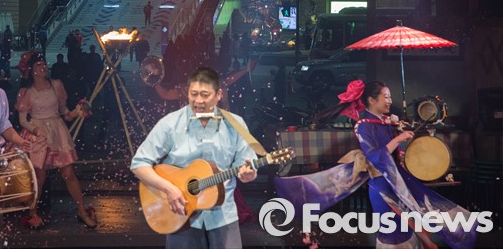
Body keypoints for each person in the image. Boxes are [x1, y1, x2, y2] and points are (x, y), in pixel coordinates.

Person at [275, 80, 479, 249]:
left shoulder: (384, 122)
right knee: (395, 230)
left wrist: (399, 143)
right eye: (386, 97)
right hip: (382, 185)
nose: (390, 100)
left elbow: (391, 153)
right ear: (372, 100)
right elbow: (374, 156)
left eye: (389, 97)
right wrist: (397, 139)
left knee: (414, 220)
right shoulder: (363, 126)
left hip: (397, 179)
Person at [130, 67, 258, 249]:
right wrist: (169, 189)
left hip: (223, 216)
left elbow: (247, 165)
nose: (198, 101)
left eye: (205, 95)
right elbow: (138, 164)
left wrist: (248, 174)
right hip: (179, 213)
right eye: (193, 94)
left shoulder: (235, 124)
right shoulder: (170, 123)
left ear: (219, 94)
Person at [11, 52, 97, 229]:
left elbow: (64, 111)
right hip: (38, 134)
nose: (43, 67)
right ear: (31, 70)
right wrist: (36, 130)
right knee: (39, 176)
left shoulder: (56, 85)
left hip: (57, 132)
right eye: (38, 65)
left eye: (44, 64)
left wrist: (76, 112)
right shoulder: (26, 92)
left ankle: (81, 210)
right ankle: (33, 213)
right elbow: (22, 120)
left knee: (68, 172)